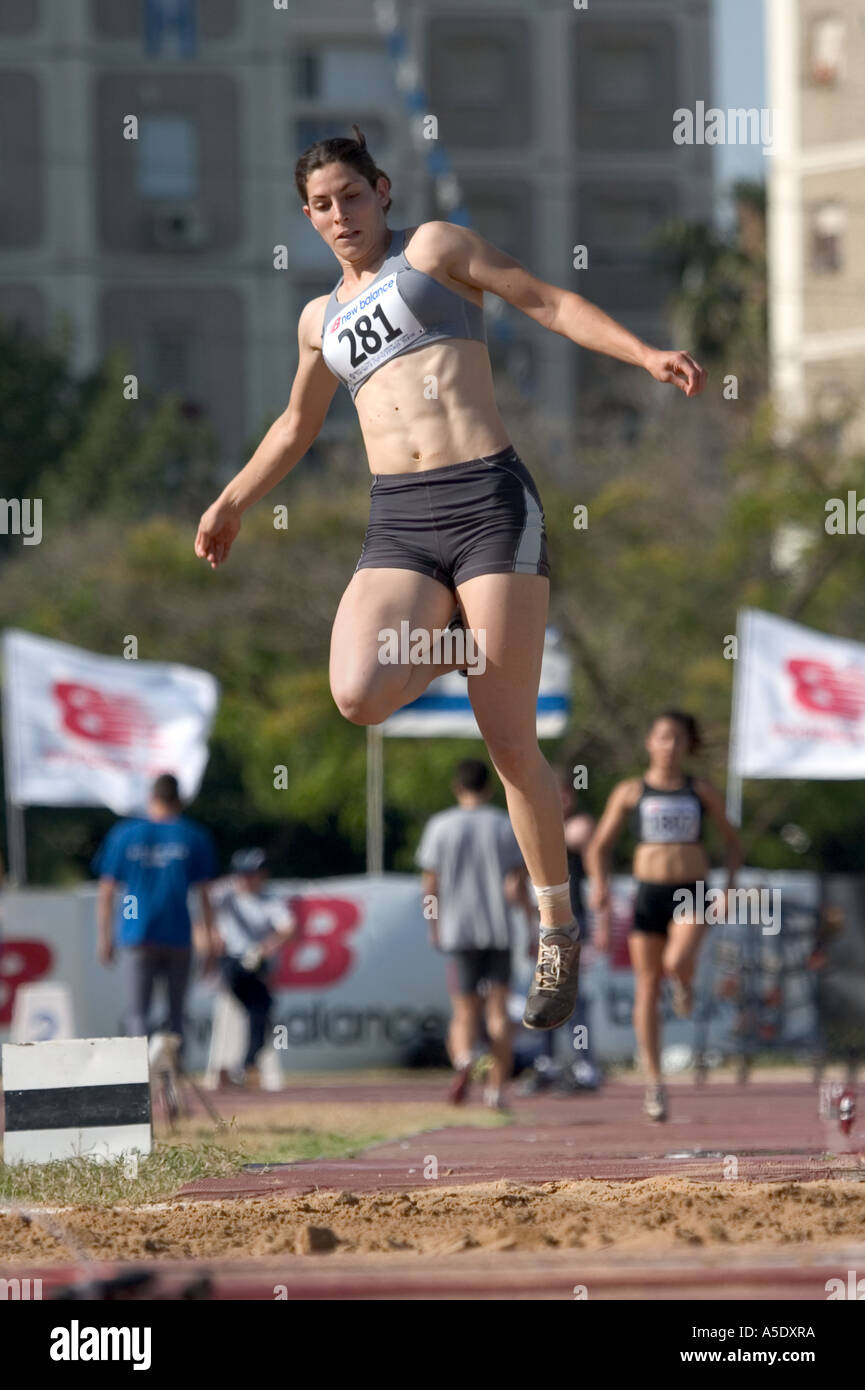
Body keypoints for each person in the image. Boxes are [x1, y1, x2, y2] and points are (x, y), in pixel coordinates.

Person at [194, 125, 707, 1033]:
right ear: (306, 219)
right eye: (321, 205)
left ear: (382, 191)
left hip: (488, 500)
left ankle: (556, 926)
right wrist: (231, 498)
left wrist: (642, 354)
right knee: (356, 691)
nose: (339, 215)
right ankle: (471, 644)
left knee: (507, 741)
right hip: (398, 516)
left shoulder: (433, 250)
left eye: (352, 195)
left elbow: (544, 301)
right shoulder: (318, 320)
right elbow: (294, 425)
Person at [584, 711, 743, 1121]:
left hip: (691, 890)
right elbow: (598, 846)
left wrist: (727, 890)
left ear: (688, 745)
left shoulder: (699, 790)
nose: (669, 746)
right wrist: (600, 884)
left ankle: (685, 982)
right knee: (647, 986)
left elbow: (732, 842)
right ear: (649, 743)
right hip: (648, 895)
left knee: (675, 963)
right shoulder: (629, 792)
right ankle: (654, 1082)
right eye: (662, 737)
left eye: (677, 738)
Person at [416, 758, 528, 1109]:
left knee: (464, 1009)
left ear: (456, 787)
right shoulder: (504, 825)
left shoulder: (440, 826)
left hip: (459, 928)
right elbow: (514, 884)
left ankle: (464, 1059)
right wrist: (529, 918)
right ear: (489, 787)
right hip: (498, 929)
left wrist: (434, 924)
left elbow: (430, 883)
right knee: (498, 1011)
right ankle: (495, 1091)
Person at [92, 772, 220, 1061]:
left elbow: (108, 890)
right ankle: (174, 1087)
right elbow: (204, 895)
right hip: (177, 932)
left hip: (136, 930)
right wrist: (210, 940)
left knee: (138, 1014)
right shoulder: (193, 835)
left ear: (152, 797)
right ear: (180, 800)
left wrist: (106, 936)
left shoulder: (125, 834)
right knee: (177, 1015)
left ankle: (142, 1085)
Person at [206, 847, 298, 1085]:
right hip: (230, 962)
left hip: (256, 964)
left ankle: (247, 1064)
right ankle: (240, 1064)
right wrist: (211, 938)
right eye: (242, 874)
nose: (245, 879)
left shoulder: (270, 899)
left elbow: (288, 928)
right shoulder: (222, 893)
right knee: (255, 1001)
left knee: (263, 1010)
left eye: (251, 874)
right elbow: (201, 909)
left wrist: (264, 950)